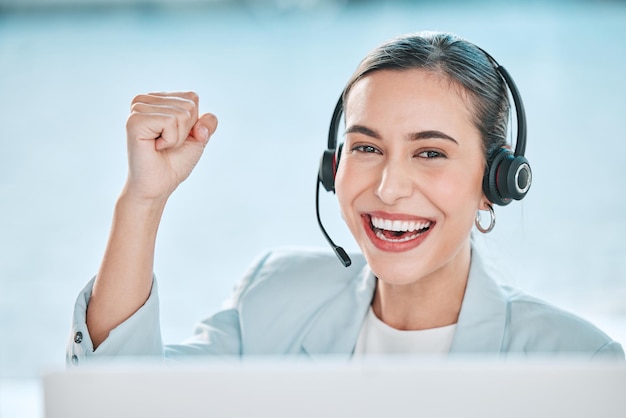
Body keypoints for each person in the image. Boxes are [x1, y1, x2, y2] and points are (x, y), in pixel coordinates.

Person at [67, 31, 624, 364]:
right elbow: (121, 399)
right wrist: (143, 200)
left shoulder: (580, 362)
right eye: (366, 148)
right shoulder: (274, 296)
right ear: (333, 168)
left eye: (430, 153)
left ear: (497, 182)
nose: (388, 188)